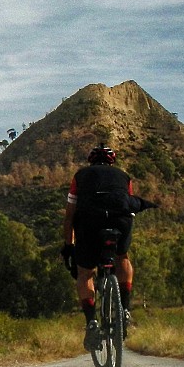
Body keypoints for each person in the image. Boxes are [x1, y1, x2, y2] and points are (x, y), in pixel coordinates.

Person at [60, 145, 157, 351]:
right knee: (122, 256)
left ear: (91, 161)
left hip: (89, 223)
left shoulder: (80, 176)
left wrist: (69, 247)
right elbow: (128, 203)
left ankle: (91, 322)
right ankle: (125, 308)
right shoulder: (124, 176)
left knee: (86, 272)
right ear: (112, 162)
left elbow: (69, 217)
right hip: (120, 221)